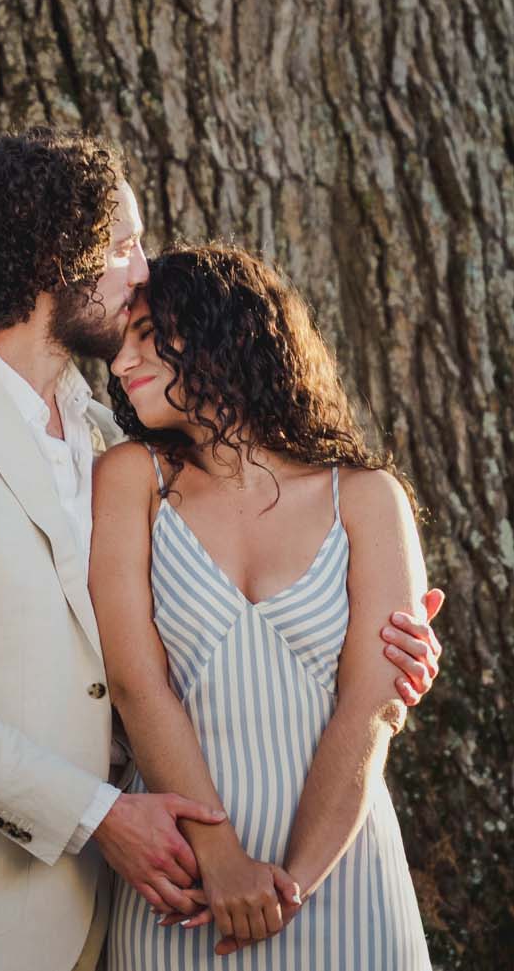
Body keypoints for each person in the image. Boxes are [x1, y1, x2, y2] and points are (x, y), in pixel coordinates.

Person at [0, 129, 446, 971]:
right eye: (123, 245)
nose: (142, 269)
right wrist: (100, 817)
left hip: (121, 901)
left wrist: (390, 656)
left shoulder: (94, 434)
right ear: (57, 259)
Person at [92, 242, 434, 967]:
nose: (122, 363)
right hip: (183, 888)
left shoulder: (368, 498)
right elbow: (135, 685)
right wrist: (222, 861)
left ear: (227, 330)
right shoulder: (132, 480)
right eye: (119, 345)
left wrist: (291, 887)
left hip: (345, 879)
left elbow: (370, 706)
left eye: (148, 335)